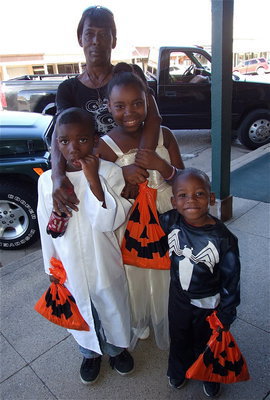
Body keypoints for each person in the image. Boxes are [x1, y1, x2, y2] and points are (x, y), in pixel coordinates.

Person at [37, 107, 134, 385]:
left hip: (102, 257)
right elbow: (47, 229)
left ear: (94, 140)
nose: (73, 148)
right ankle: (89, 353)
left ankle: (117, 349)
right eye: (64, 141)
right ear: (57, 144)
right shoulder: (47, 183)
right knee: (80, 307)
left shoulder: (111, 173)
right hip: (68, 262)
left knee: (111, 303)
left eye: (81, 140)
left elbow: (108, 222)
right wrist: (50, 265)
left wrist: (93, 179)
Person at [96, 64, 185, 350]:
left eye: (137, 103)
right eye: (120, 105)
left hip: (166, 215)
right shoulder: (105, 146)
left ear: (148, 101)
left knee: (165, 270)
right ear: (108, 106)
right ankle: (140, 317)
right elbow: (103, 191)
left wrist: (162, 166)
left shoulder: (165, 135)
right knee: (134, 272)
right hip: (131, 222)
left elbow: (182, 178)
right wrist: (125, 179)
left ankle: (164, 313)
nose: (130, 112)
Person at [51, 5, 161, 215]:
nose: (96, 41)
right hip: (94, 176)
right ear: (80, 39)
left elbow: (153, 119)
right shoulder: (68, 89)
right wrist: (57, 176)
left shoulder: (130, 75)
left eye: (103, 35)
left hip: (137, 172)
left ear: (114, 40)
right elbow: (60, 135)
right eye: (89, 34)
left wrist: (139, 168)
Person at [159, 168, 241, 398]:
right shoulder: (171, 221)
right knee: (179, 336)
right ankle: (178, 370)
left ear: (211, 198)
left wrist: (227, 312)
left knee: (206, 340)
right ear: (174, 201)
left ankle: (208, 373)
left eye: (199, 194)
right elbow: (145, 222)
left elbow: (231, 279)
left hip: (208, 302)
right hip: (178, 298)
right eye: (183, 195)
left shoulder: (223, 239)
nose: (191, 200)